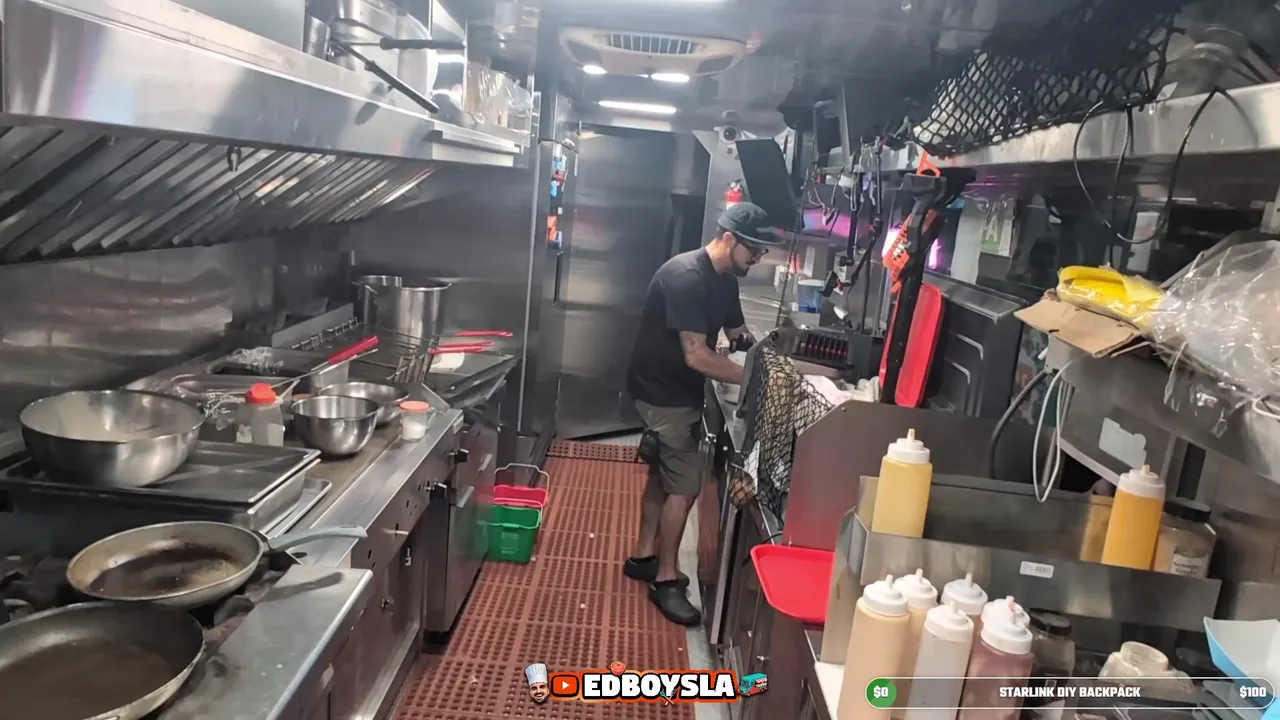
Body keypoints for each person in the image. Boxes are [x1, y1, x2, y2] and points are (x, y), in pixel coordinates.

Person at [622, 202, 786, 625]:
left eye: (762, 252)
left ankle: (643, 556)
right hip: (662, 392)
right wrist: (753, 379)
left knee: (663, 475)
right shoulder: (686, 277)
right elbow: (695, 354)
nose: (758, 258)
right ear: (728, 238)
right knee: (685, 488)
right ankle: (665, 580)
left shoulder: (725, 278)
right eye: (754, 250)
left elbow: (738, 334)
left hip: (677, 389)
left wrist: (771, 357)